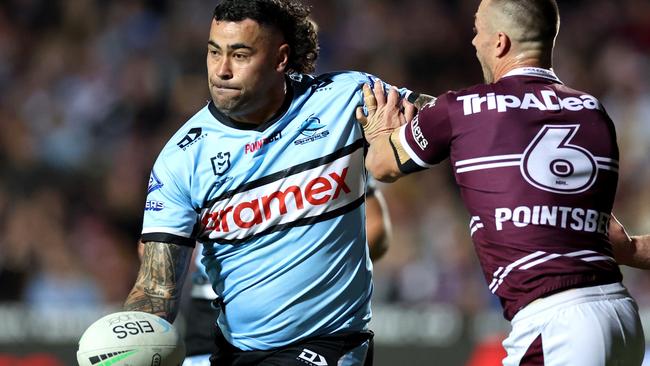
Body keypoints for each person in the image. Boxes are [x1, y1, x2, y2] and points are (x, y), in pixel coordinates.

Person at [123, 0, 414, 364]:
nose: (221, 70)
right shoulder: (180, 159)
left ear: (280, 59)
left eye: (240, 55)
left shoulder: (346, 99)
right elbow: (156, 290)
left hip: (329, 344)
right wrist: (130, 345)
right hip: (233, 350)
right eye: (214, 52)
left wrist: (401, 139)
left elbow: (444, 122)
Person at [358, 0, 645, 364]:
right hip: (621, 317)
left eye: (477, 30)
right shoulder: (592, 110)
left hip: (557, 324)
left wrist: (380, 127)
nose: (473, 41)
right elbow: (616, 243)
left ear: (500, 42)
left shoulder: (460, 109)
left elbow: (382, 165)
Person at [181, 181, 391, 366]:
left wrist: (312, 268)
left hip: (307, 318)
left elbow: (375, 226)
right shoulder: (197, 150)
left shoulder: (328, 144)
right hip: (212, 313)